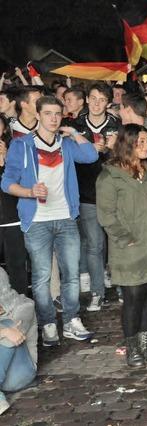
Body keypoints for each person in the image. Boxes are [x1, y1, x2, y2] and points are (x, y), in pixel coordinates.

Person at [1, 95, 97, 346]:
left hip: (66, 217)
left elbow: (90, 156)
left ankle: (72, 321)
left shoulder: (65, 144)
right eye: (48, 114)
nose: (54, 119)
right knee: (42, 277)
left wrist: (74, 132)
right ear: (39, 115)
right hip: (37, 220)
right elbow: (6, 182)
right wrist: (30, 192)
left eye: (57, 114)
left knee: (72, 274)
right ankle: (48, 324)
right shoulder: (22, 145)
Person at [96, 124, 147, 367]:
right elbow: (106, 215)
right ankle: (132, 347)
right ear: (127, 144)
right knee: (133, 299)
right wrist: (124, 238)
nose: (146, 146)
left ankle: (146, 345)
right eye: (140, 142)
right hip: (129, 250)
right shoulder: (110, 176)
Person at [71, 82, 120, 311]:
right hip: (87, 193)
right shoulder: (76, 126)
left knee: (119, 241)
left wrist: (112, 148)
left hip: (115, 193)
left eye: (102, 99)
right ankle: (97, 292)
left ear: (108, 102)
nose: (97, 103)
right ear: (87, 100)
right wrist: (91, 149)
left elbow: (126, 156)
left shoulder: (117, 124)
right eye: (93, 98)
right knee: (94, 246)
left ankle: (122, 286)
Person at [0, 267, 37, 415]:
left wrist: (5, 331)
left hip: (20, 374)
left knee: (9, 327)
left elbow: (12, 340)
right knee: (6, 330)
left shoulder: (24, 307)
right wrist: (3, 332)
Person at [0, 116, 28, 295]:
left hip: (12, 219)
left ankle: (22, 307)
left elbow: (20, 183)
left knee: (17, 266)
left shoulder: (15, 151)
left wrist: (4, 161)